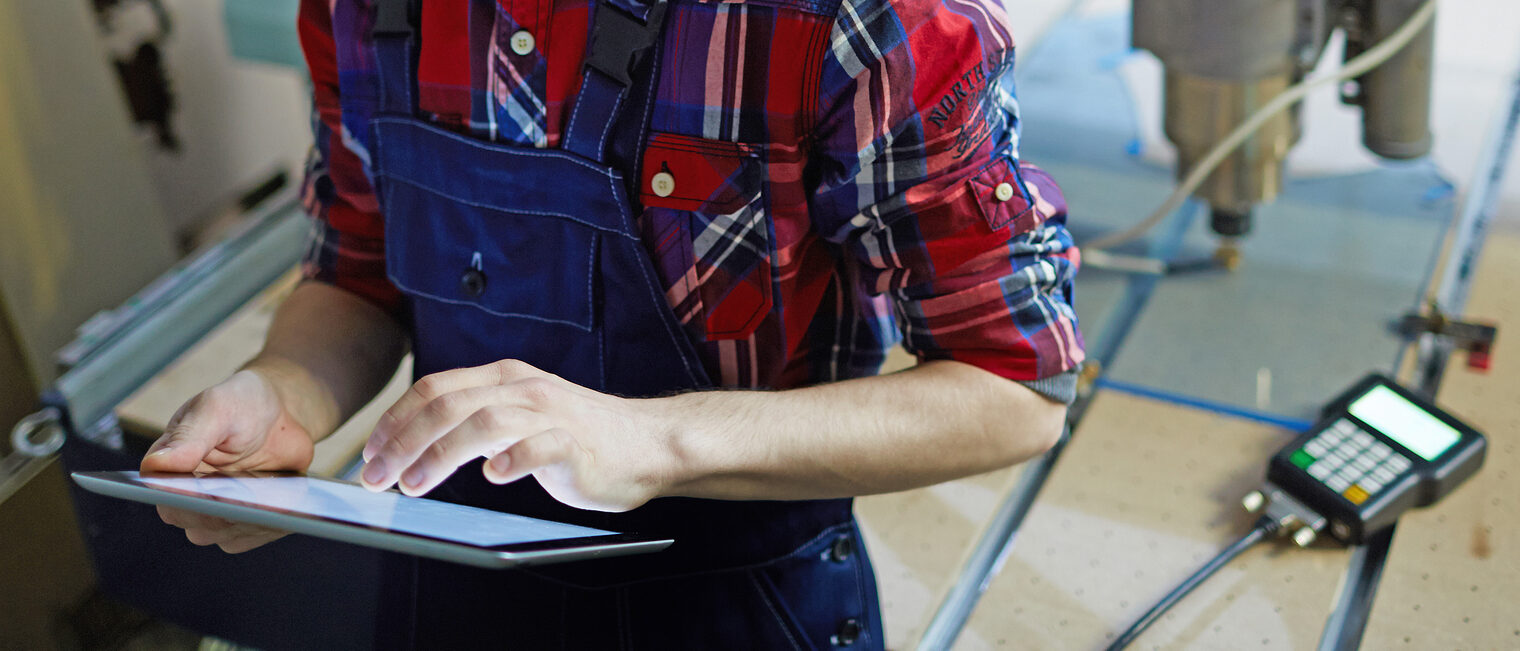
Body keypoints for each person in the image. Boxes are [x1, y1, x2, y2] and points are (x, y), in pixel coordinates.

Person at [142, 0, 1084, 647]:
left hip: (737, 609)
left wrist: (653, 437)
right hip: (447, 596)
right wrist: (283, 390)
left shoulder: (860, 23)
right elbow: (358, 272)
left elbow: (1016, 386)